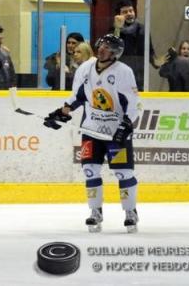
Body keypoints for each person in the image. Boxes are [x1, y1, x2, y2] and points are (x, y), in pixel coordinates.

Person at [43, 34, 141, 233]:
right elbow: (77, 96)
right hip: (91, 129)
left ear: (115, 53)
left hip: (116, 132)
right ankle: (95, 211)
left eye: (108, 47)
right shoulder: (85, 68)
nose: (102, 49)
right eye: (102, 45)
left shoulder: (124, 72)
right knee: (90, 170)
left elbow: (133, 103)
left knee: (123, 172)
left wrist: (127, 125)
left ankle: (130, 212)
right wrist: (61, 113)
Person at [111, 0, 164, 90]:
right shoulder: (113, 30)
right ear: (118, 15)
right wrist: (117, 29)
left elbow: (149, 52)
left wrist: (157, 62)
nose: (129, 14)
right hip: (119, 75)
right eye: (125, 12)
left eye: (131, 11)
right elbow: (112, 51)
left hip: (139, 77)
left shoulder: (143, 29)